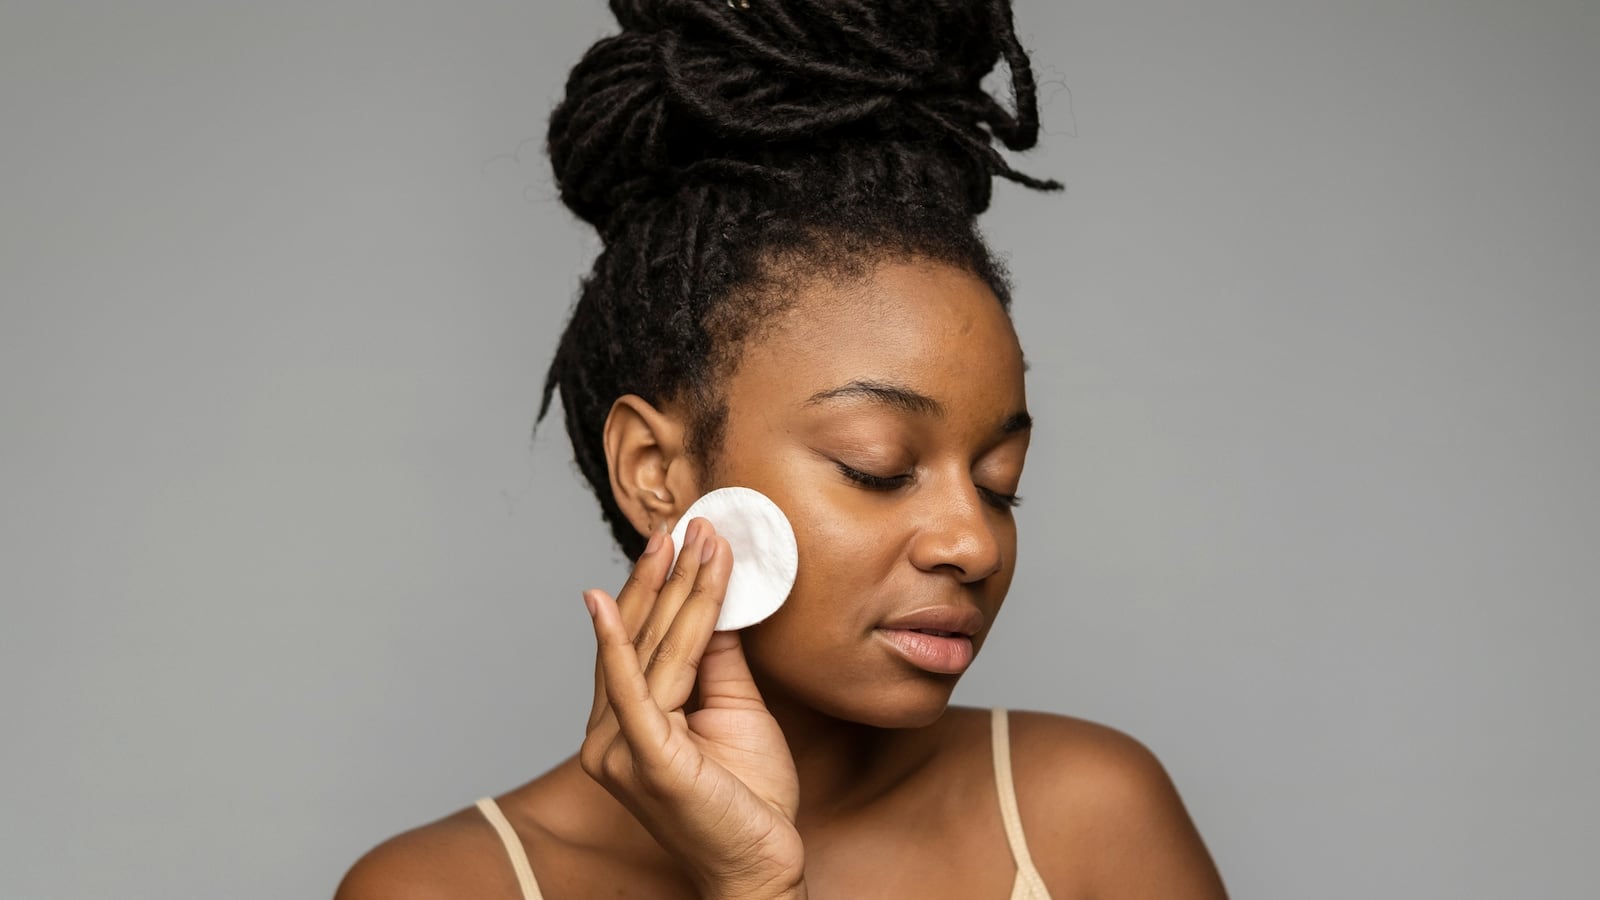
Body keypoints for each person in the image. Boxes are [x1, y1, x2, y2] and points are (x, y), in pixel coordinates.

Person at [338, 1, 1227, 897]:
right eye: (878, 467)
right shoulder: (442, 886)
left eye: (1000, 482)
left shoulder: (1090, 817)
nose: (975, 543)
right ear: (655, 473)